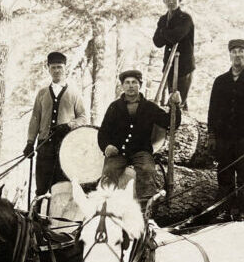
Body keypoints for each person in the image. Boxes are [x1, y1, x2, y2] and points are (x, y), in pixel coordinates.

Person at [98, 70, 182, 205]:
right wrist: (107, 146)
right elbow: (103, 132)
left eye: (134, 83)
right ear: (122, 86)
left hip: (141, 152)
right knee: (109, 172)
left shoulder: (149, 107)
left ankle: (146, 210)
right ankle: (105, 208)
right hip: (118, 152)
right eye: (127, 83)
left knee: (147, 170)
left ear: (140, 85)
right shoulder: (114, 107)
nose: (131, 86)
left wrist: (176, 107)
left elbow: (170, 123)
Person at [207, 39, 244, 221]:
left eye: (241, 52)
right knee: (224, 174)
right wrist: (212, 135)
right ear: (230, 55)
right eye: (234, 52)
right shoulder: (220, 81)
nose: (238, 55)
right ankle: (225, 210)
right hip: (224, 138)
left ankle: (242, 212)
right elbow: (213, 109)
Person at [23, 51, 88, 196]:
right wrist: (30, 142)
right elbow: (35, 119)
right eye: (53, 67)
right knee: (42, 187)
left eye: (59, 67)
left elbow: (83, 118)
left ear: (65, 68)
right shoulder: (42, 93)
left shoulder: (74, 93)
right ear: (48, 69)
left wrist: (69, 125)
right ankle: (39, 217)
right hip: (44, 146)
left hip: (66, 146)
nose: (57, 70)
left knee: (62, 187)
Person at [152, 0, 195, 110]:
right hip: (169, 66)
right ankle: (175, 126)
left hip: (183, 66)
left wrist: (163, 31)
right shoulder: (163, 19)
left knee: (179, 100)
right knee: (172, 100)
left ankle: (180, 126)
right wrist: (166, 33)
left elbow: (176, 36)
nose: (171, 2)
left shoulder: (185, 18)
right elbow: (157, 42)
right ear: (164, 0)